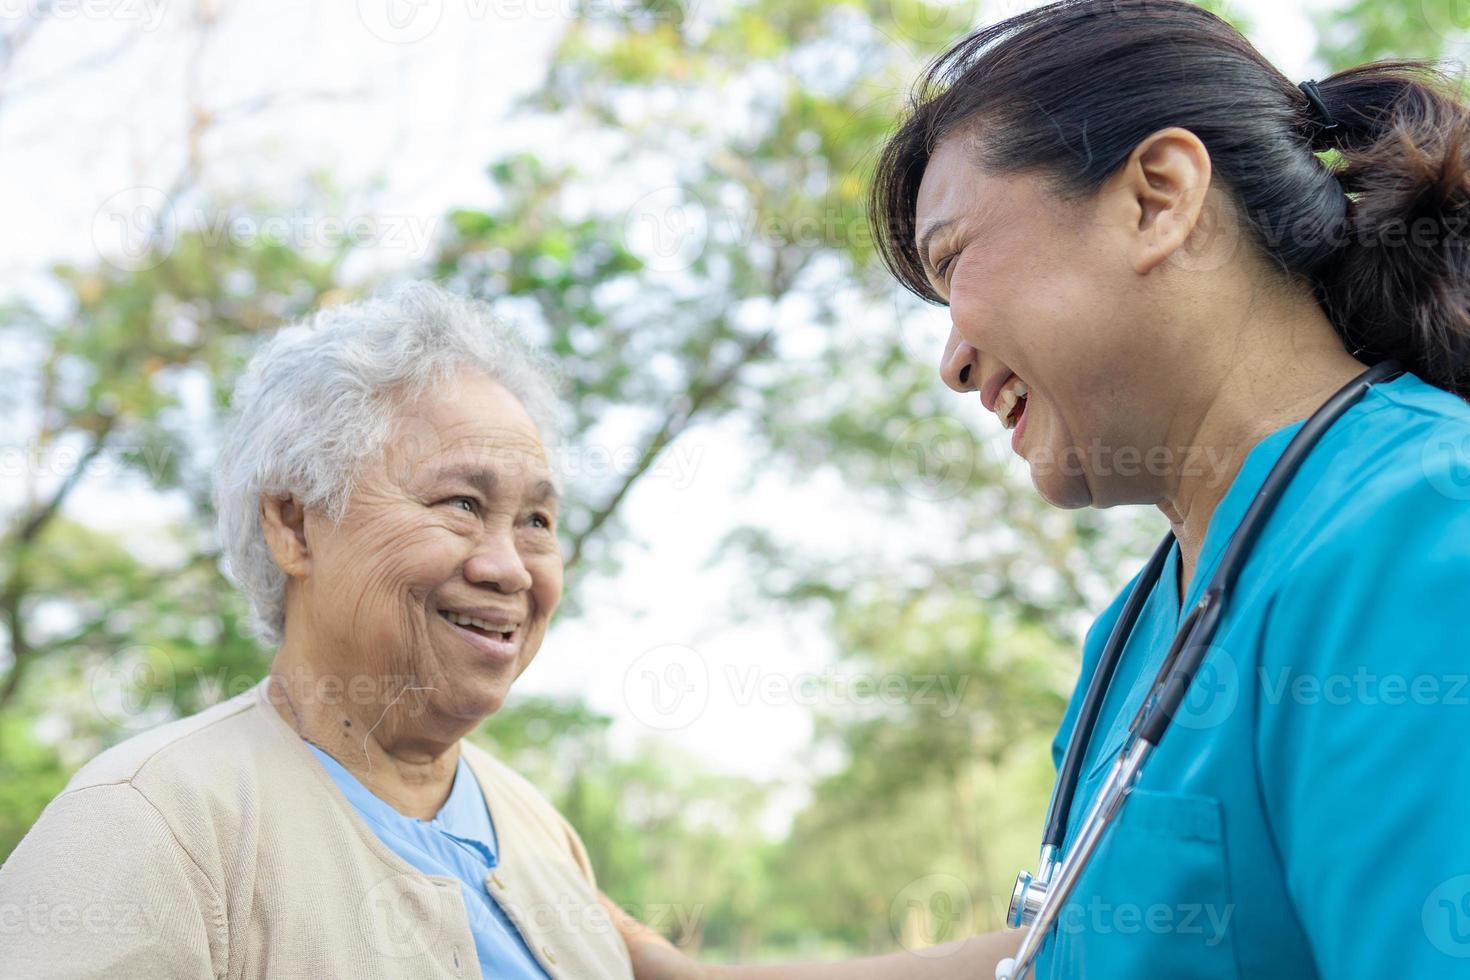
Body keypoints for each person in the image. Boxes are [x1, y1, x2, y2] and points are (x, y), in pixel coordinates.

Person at [615, 0, 1470, 976]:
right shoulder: (1135, 629)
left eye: (955, 259)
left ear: (1158, 197)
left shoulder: (1425, 521)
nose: (953, 362)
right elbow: (1080, 948)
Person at [0, 282, 633, 978]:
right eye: (461, 503)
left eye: (536, 521)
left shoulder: (536, 829)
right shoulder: (148, 825)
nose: (509, 568)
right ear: (295, 526)